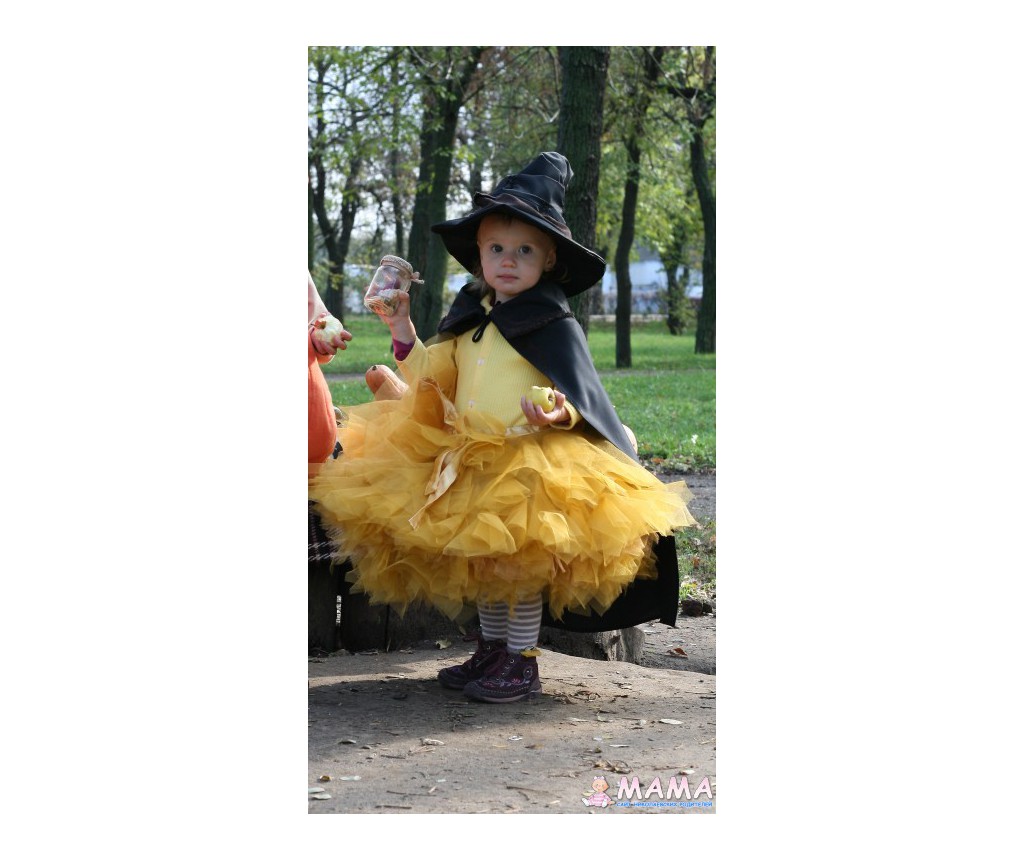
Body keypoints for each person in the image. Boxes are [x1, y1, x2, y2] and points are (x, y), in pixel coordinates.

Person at [309, 152, 695, 703]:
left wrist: (558, 412)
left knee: (518, 569)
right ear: (479, 254)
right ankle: (492, 649)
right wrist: (402, 327)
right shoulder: (470, 318)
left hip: (527, 464)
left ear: (549, 258)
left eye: (524, 251)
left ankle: (521, 658)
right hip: (468, 458)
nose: (507, 261)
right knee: (484, 566)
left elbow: (580, 395)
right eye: (496, 249)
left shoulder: (553, 322)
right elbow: (430, 378)